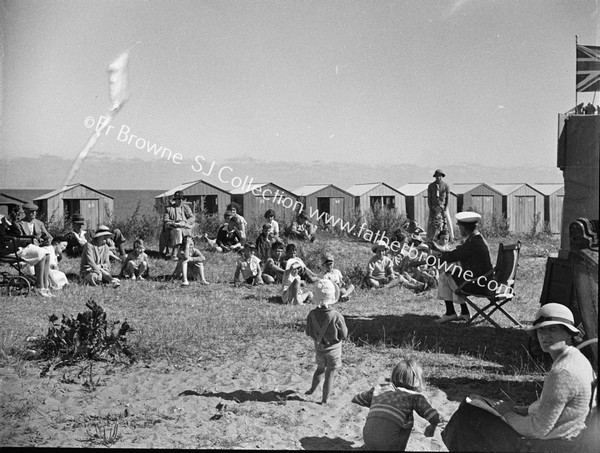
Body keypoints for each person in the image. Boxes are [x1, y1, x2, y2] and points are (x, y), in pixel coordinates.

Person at [442, 303, 595, 452]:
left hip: (551, 445)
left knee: (467, 417)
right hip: (567, 436)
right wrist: (525, 410)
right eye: (541, 331)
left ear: (569, 333)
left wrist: (507, 414)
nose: (545, 336)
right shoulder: (576, 358)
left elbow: (538, 429)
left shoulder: (563, 373)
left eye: (552, 329)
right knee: (475, 408)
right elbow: (557, 405)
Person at [352, 357, 441, 451]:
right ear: (418, 380)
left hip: (368, 440)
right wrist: (432, 426)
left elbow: (358, 399)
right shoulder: (414, 397)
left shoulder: (379, 389)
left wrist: (378, 403)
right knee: (407, 419)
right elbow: (434, 417)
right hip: (389, 445)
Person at [429, 211, 492, 323]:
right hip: (484, 281)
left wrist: (432, 257)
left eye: (460, 226)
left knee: (445, 276)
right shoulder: (477, 239)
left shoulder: (473, 242)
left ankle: (451, 313)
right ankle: (463, 312)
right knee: (452, 273)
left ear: (464, 227)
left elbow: (453, 255)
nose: (459, 229)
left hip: (477, 284)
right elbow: (457, 252)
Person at [305, 279, 347, 404]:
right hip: (334, 349)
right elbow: (344, 334)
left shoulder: (312, 314)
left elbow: (308, 332)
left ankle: (312, 389)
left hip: (319, 348)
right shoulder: (336, 316)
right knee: (330, 374)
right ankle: (324, 399)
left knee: (320, 369)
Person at [162, 191, 195, 258]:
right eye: (178, 199)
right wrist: (175, 223)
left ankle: (186, 252)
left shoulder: (186, 208)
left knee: (185, 232)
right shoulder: (169, 209)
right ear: (175, 199)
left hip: (185, 228)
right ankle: (174, 253)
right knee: (177, 231)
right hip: (172, 228)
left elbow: (192, 217)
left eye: (181, 199)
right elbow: (166, 220)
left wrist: (186, 222)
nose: (180, 200)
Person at [427, 169, 450, 241]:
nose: (438, 178)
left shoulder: (446, 186)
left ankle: (450, 238)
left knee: (446, 222)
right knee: (432, 223)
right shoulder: (431, 186)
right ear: (435, 177)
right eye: (437, 176)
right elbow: (429, 198)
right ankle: (431, 238)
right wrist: (431, 208)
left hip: (443, 207)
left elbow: (447, 198)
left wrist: (445, 208)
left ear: (442, 177)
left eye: (440, 176)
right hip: (434, 208)